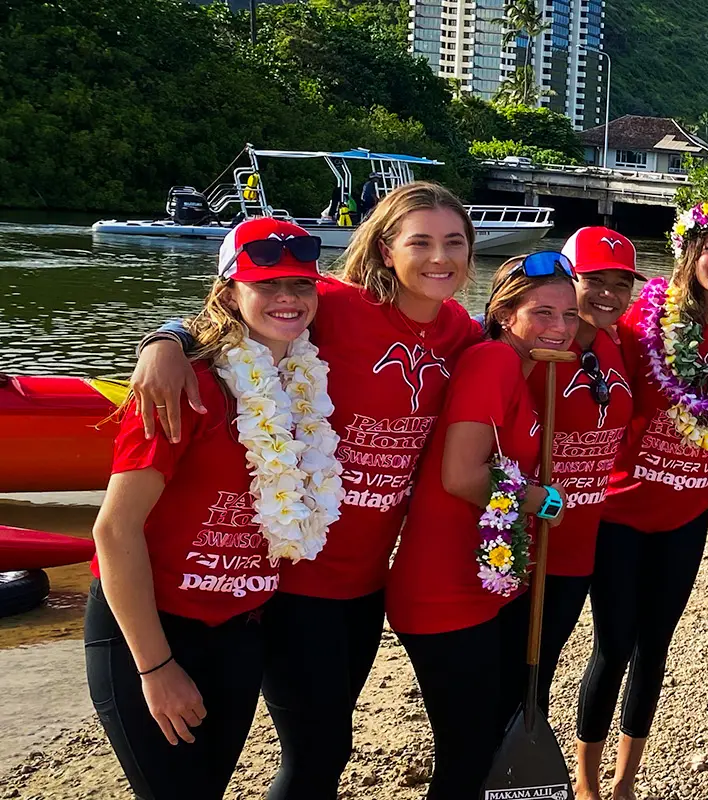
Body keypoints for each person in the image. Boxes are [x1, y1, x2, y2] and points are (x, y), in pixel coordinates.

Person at [128, 183, 487, 800]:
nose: (439, 257)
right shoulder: (335, 305)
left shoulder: (458, 329)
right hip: (297, 580)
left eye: (454, 242)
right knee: (319, 751)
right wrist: (162, 339)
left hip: (369, 579)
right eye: (420, 241)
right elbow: (238, 305)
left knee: (331, 741)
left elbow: (521, 329)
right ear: (383, 249)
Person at [89, 219, 336, 800]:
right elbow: (113, 529)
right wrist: (155, 667)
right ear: (227, 292)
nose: (287, 298)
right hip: (153, 628)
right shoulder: (185, 384)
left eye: (301, 285)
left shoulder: (307, 381)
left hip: (240, 630)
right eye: (266, 284)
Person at [575, 200, 708, 800]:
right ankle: (585, 783)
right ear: (689, 255)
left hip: (687, 517)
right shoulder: (642, 326)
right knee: (612, 648)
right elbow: (588, 356)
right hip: (622, 513)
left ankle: (626, 781)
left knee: (655, 648)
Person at [384, 251, 580, 799]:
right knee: (466, 754)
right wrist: (538, 500)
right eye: (543, 313)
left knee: (484, 740)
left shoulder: (528, 367)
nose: (560, 328)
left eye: (569, 316)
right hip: (441, 592)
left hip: (485, 587)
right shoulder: (492, 361)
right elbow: (459, 475)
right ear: (503, 313)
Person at [531, 228, 640, 713]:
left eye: (621, 284)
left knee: (546, 665)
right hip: (529, 539)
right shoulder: (534, 350)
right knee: (516, 671)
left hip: (582, 539)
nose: (608, 294)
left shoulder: (614, 345)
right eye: (594, 279)